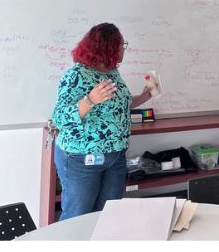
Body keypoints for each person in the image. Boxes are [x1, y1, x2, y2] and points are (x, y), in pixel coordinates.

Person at [35, 22, 155, 221]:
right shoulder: (76, 75)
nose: (123, 49)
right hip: (81, 158)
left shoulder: (111, 72)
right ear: (108, 47)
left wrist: (143, 97)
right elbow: (60, 117)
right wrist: (90, 100)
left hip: (115, 156)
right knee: (78, 216)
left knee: (108, 215)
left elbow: (118, 106)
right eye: (120, 44)